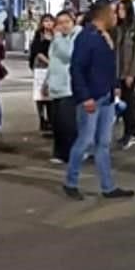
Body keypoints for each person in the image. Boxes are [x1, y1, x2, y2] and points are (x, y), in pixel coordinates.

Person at [63, 1, 134, 201]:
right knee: (85, 141)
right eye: (112, 12)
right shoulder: (87, 37)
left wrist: (114, 86)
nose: (116, 16)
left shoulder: (105, 37)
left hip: (107, 96)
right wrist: (84, 97)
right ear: (101, 15)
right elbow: (77, 69)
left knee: (103, 143)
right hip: (92, 98)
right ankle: (71, 182)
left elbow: (106, 67)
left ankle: (108, 186)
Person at [46, 11, 81, 164]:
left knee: (68, 124)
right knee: (57, 123)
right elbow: (52, 61)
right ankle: (60, 153)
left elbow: (68, 54)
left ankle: (72, 153)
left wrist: (58, 37)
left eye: (66, 21)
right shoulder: (58, 39)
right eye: (60, 22)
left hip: (68, 86)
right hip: (55, 86)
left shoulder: (76, 36)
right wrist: (46, 82)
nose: (63, 25)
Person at [114, 0, 135, 149]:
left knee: (129, 100)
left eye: (122, 9)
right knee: (122, 101)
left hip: (130, 70)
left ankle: (131, 133)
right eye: (118, 9)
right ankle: (126, 132)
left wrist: (131, 73)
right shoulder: (118, 26)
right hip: (118, 70)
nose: (120, 12)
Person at [29, 14, 56, 134]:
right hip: (41, 68)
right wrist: (48, 62)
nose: (48, 24)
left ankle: (51, 120)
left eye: (50, 21)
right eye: (46, 21)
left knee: (51, 95)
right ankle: (42, 119)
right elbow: (37, 51)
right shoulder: (38, 35)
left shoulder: (57, 35)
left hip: (54, 69)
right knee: (40, 95)